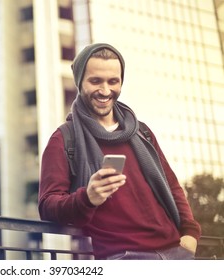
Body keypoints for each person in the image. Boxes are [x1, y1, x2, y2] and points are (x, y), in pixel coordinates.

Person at [38, 43, 201, 260]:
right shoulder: (64, 139)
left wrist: (190, 233)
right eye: (95, 81)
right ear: (80, 82)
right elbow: (47, 205)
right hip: (122, 258)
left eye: (113, 81)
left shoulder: (142, 131)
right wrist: (87, 197)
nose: (105, 91)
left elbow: (171, 186)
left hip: (175, 254)